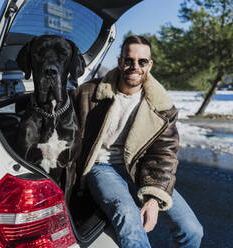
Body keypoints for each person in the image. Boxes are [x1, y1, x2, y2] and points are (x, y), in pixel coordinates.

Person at [74, 35, 203, 247]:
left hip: (140, 168)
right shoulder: (88, 93)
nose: (135, 66)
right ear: (120, 62)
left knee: (192, 230)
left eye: (142, 61)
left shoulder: (161, 106)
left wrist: (154, 198)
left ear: (149, 65)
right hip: (101, 166)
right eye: (129, 60)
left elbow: (165, 155)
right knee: (128, 215)